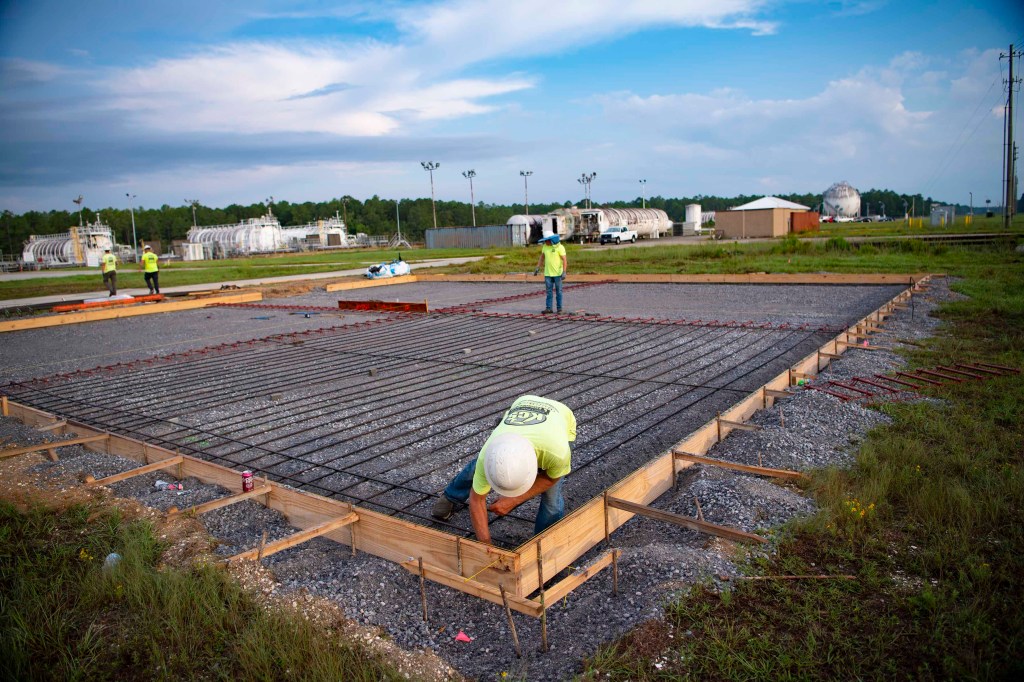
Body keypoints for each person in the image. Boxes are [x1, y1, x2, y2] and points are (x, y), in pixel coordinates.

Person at [432, 395, 577, 545]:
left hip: (561, 414)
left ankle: (543, 544)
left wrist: (513, 500)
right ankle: (450, 497)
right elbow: (477, 499)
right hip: (523, 403)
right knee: (477, 468)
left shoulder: (557, 453)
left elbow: (551, 478)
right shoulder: (488, 454)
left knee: (551, 498)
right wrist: (486, 545)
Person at [533, 234, 567, 314]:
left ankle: (559, 309)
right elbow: (542, 257)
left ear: (551, 240)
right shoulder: (545, 246)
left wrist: (564, 271)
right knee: (549, 292)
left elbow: (564, 260)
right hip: (548, 273)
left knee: (559, 291)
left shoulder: (560, 247)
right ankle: (549, 308)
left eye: (546, 240)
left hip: (558, 274)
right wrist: (537, 267)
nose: (545, 242)